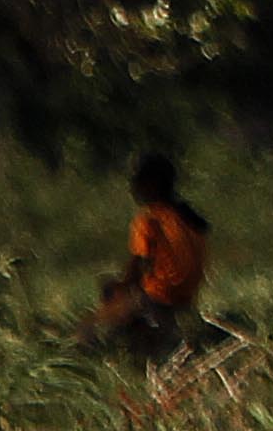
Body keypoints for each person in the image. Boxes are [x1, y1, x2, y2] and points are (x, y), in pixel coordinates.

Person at [89, 148, 211, 359]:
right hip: (187, 299)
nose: (132, 187)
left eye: (136, 181)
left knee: (93, 325)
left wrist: (116, 291)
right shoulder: (188, 217)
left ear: (151, 183)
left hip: (159, 298)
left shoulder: (149, 220)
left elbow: (135, 270)